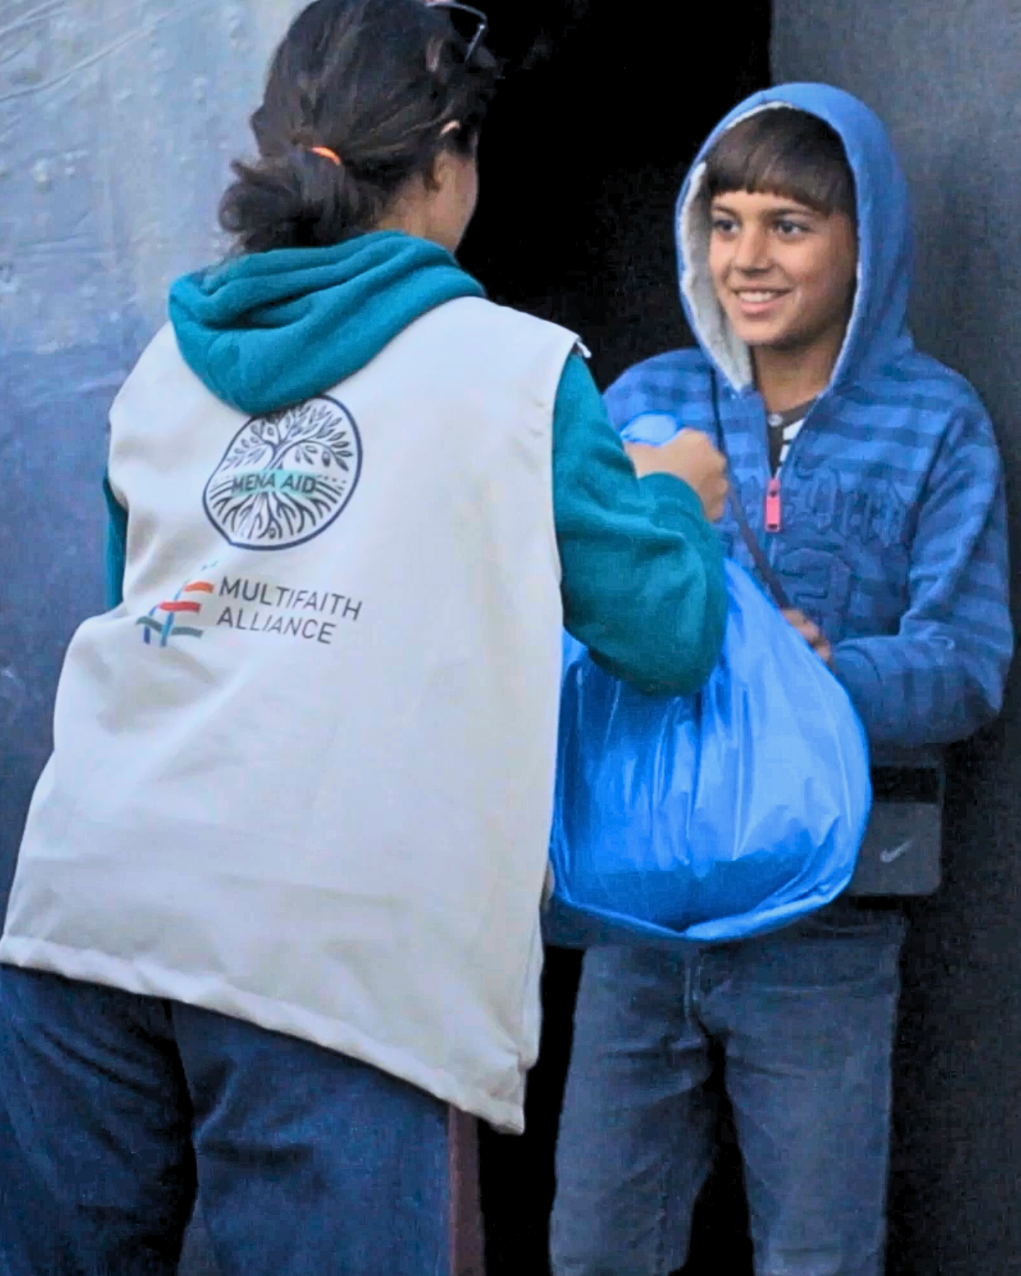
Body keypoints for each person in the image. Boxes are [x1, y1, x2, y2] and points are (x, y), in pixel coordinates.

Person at [0, 2, 731, 1273]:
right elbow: (665, 632)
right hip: (328, 958)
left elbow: (155, 623)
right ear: (448, 156)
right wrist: (675, 493)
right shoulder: (511, 372)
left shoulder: (163, 369)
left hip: (84, 915)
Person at [551, 84, 1013, 1276]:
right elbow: (556, 611)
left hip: (829, 908)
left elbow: (967, 664)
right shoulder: (639, 401)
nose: (747, 257)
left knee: (816, 1251)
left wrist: (823, 677)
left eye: (790, 225)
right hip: (638, 905)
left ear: (871, 243)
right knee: (598, 1244)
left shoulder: (934, 423)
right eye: (726, 221)